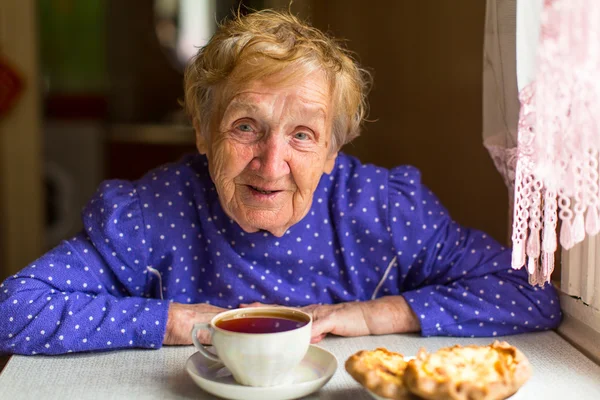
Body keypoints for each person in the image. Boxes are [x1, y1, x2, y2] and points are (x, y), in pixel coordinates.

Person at [0, 10, 560, 355]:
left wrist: (372, 314)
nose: (270, 163)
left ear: (334, 149)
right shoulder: (153, 212)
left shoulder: (383, 211)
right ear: (202, 131)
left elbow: (530, 293)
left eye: (302, 136)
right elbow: (14, 309)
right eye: (246, 127)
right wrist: (181, 321)